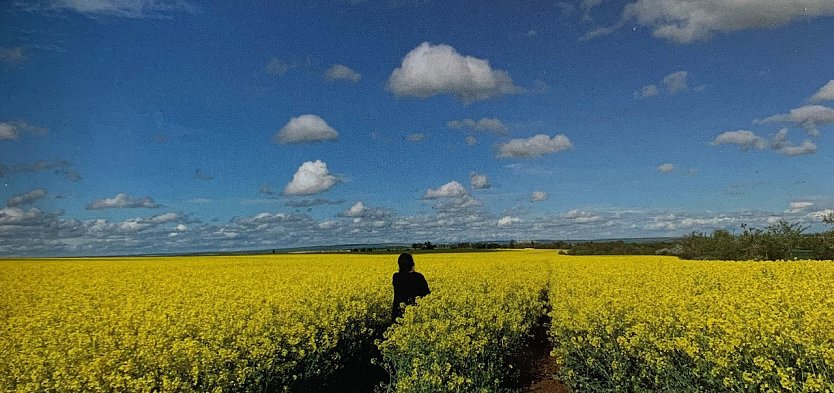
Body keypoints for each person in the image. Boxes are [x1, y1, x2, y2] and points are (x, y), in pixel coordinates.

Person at [391, 253, 430, 322]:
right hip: (416, 314)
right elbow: (427, 295)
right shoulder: (419, 277)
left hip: (398, 314)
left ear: (399, 264)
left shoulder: (396, 277)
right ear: (412, 264)